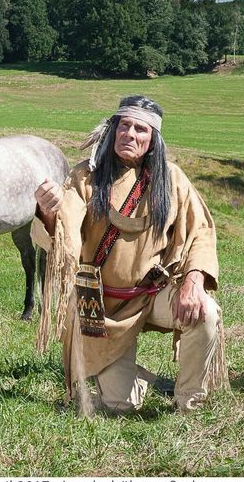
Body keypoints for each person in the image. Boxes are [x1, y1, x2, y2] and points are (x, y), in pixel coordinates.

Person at [32, 95, 226, 413]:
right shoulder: (85, 177)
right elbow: (62, 237)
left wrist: (193, 280)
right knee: (119, 406)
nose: (130, 134)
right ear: (113, 131)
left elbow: (201, 232)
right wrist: (48, 212)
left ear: (152, 141)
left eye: (140, 130)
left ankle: (191, 401)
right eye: (124, 126)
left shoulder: (172, 179)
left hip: (155, 294)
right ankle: (142, 382)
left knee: (205, 312)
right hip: (103, 304)